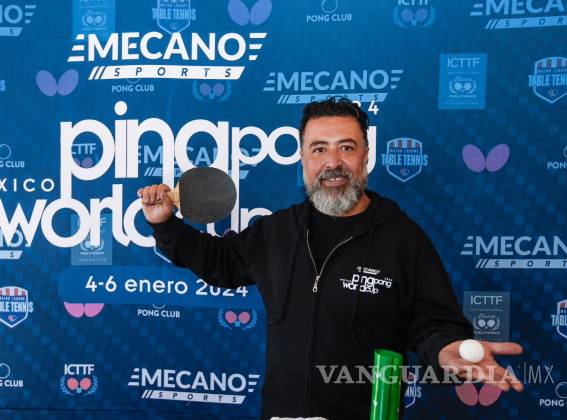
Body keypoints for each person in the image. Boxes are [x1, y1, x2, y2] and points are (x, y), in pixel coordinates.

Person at [138, 97, 523, 420]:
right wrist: (164, 224)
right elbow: (219, 263)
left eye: (347, 147)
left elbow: (434, 324)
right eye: (319, 149)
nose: (332, 162)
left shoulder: (403, 239)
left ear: (366, 156)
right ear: (303, 158)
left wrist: (446, 350)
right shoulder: (276, 231)